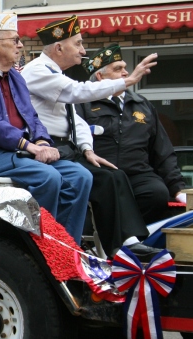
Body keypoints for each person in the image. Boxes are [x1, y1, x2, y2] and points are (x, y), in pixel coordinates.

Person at [21, 16, 163, 259]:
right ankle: (75, 248)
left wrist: (88, 149)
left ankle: (125, 242)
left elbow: (76, 120)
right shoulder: (37, 71)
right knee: (100, 178)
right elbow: (77, 92)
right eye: (78, 44)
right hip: (44, 148)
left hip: (66, 148)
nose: (83, 50)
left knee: (113, 175)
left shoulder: (53, 71)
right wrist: (127, 81)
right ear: (58, 47)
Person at [0, 13, 92, 242]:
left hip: (19, 152)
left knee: (80, 176)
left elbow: (32, 117)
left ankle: (66, 246)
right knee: (48, 178)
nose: (20, 45)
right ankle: (37, 246)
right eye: (14, 40)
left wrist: (43, 140)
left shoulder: (15, 76)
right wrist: (29, 146)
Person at [78, 44, 188, 224]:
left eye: (125, 68)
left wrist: (177, 189)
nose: (125, 73)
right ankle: (125, 243)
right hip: (102, 175)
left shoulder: (142, 104)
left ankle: (134, 242)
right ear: (100, 76)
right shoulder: (82, 103)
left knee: (157, 193)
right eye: (118, 69)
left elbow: (162, 150)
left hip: (138, 175)